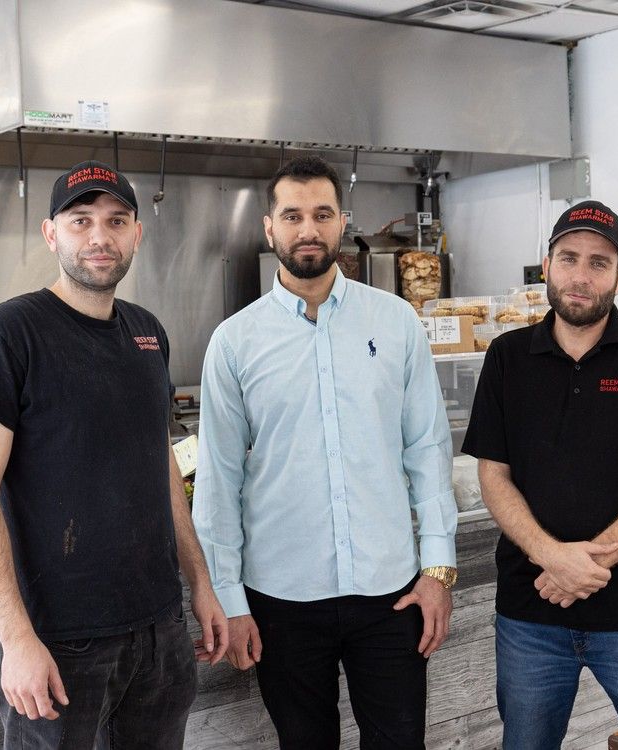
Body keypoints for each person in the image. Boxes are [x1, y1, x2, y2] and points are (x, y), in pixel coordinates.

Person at [0, 160, 228, 750]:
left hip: (158, 630)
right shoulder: (5, 335)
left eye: (115, 221)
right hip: (60, 640)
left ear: (136, 234)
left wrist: (199, 583)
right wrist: (16, 639)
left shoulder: (146, 332)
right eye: (81, 221)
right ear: (52, 235)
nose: (99, 237)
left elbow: (161, 465)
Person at [192, 155, 458, 749]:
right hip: (282, 599)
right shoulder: (234, 342)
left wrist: (438, 569)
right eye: (293, 215)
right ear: (270, 228)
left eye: (322, 214)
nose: (308, 229)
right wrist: (229, 598)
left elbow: (427, 451)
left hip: (391, 594)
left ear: (343, 223)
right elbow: (218, 479)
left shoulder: (396, 323)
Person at [462, 200, 618, 749]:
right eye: (568, 257)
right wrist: (553, 557)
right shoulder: (506, 357)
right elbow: (493, 476)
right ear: (546, 265)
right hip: (531, 615)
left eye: (599, 263)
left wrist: (586, 562)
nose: (580, 275)